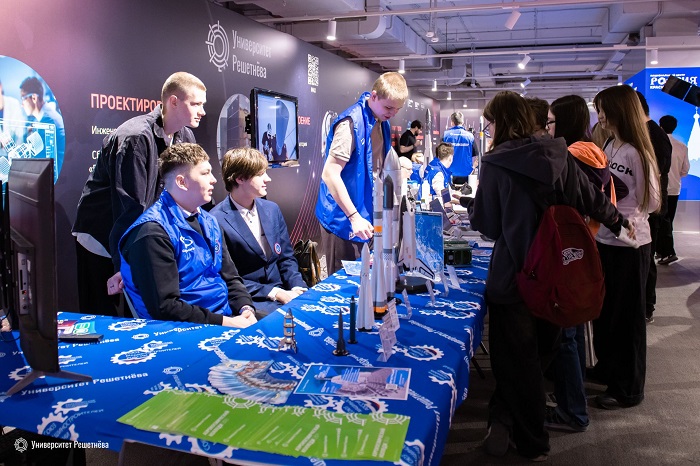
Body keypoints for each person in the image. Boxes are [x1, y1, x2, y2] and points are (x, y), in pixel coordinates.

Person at [470, 91, 628, 461]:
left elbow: (488, 225)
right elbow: (592, 199)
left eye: (489, 124)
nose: (488, 130)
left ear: (499, 123)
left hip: (516, 277)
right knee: (539, 357)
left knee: (515, 363)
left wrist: (481, 209)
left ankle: (529, 439)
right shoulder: (558, 153)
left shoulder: (495, 163)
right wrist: (622, 225)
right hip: (559, 275)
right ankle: (505, 421)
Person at [72, 72, 206, 316]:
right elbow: (130, 208)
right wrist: (123, 264)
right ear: (173, 102)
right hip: (103, 237)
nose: (202, 111)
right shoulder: (135, 138)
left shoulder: (185, 136)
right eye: (196, 104)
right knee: (104, 317)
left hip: (137, 232)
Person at [119, 143, 257, 327]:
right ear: (181, 182)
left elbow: (230, 277)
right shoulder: (152, 233)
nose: (213, 180)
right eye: (205, 173)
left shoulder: (210, 221)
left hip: (225, 316)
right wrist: (227, 322)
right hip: (186, 329)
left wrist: (246, 308)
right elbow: (165, 307)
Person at [545, 94, 617, 434]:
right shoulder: (594, 151)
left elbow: (570, 199)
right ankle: (571, 401)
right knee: (570, 331)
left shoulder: (572, 155)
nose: (548, 128)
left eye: (551, 122)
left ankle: (573, 410)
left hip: (569, 247)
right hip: (585, 243)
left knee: (565, 334)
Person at [591, 84, 660, 409]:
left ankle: (628, 389)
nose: (600, 116)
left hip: (631, 244)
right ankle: (607, 370)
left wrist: (625, 213)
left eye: (603, 109)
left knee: (628, 318)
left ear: (620, 111)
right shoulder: (610, 144)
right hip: (605, 239)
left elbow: (653, 201)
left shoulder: (637, 151)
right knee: (607, 314)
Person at [315, 72, 407, 274]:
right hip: (342, 217)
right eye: (389, 107)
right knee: (344, 282)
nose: (392, 113)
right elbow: (330, 174)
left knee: (368, 277)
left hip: (366, 214)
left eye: (397, 109)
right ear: (374, 96)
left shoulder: (382, 121)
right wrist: (354, 217)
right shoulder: (350, 123)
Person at [211, 147, 307, 316]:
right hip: (249, 300)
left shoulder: (272, 209)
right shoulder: (215, 220)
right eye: (261, 174)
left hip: (284, 291)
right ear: (240, 178)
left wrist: (297, 286)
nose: (268, 179)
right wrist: (275, 293)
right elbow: (226, 277)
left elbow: (286, 258)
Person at [636, 91, 671, 324]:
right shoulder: (645, 133)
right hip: (644, 208)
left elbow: (657, 172)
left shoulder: (654, 135)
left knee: (647, 259)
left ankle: (647, 306)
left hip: (650, 208)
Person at [656, 115, 690, 265]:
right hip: (674, 188)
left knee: (660, 221)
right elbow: (685, 170)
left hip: (659, 188)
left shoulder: (657, 144)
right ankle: (663, 250)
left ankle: (667, 251)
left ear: (660, 126)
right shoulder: (682, 146)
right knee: (669, 220)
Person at [18, 77, 65, 173]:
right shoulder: (43, 118)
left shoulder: (47, 120)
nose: (22, 105)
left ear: (34, 98)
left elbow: (37, 160)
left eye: (23, 98)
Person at [442, 111, 475, 184]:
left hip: (449, 172)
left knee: (449, 191)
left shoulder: (446, 135)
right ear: (462, 122)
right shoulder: (470, 136)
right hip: (466, 173)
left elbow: (440, 155)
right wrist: (473, 168)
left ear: (452, 122)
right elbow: (475, 155)